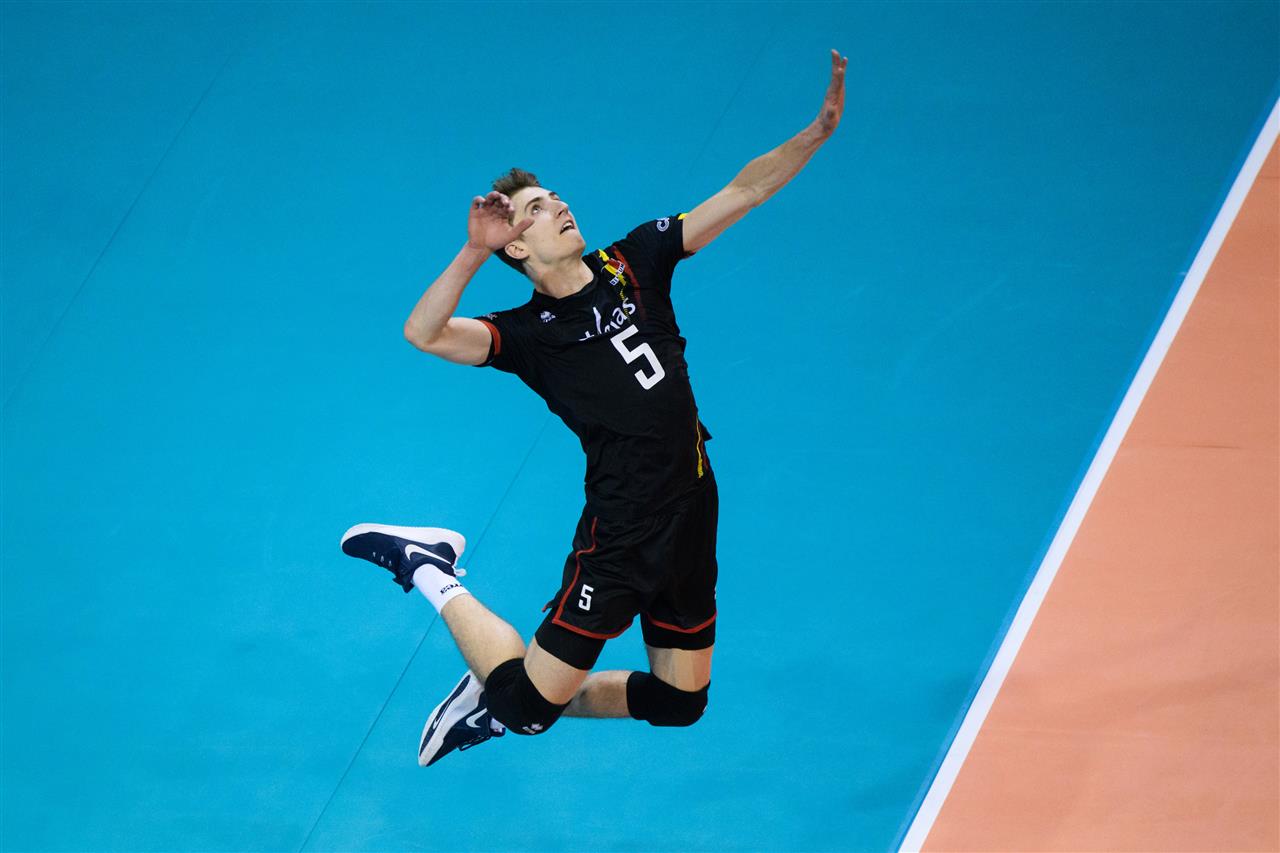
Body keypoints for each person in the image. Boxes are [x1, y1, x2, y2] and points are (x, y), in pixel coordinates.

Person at [341, 49, 848, 766]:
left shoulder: (636, 259)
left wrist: (816, 133)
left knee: (679, 702)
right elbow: (423, 332)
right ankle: (427, 566)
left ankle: (501, 694)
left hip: (693, 505)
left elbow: (745, 190)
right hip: (623, 532)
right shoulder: (526, 335)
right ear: (517, 246)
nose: (557, 206)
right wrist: (473, 252)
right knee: (526, 711)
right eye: (536, 209)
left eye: (554, 197)